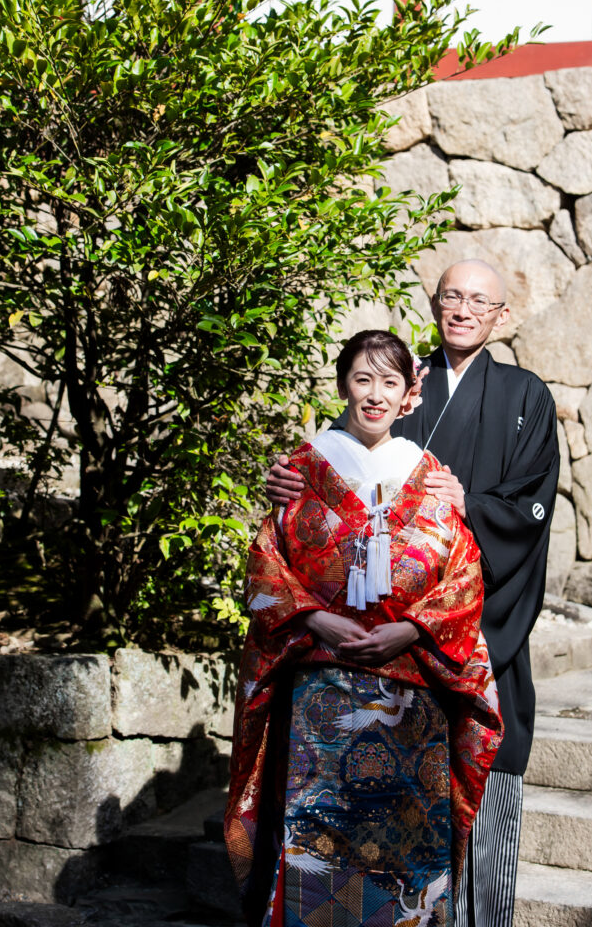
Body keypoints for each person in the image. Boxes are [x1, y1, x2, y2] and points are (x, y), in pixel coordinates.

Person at [266, 262, 560, 927]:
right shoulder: (399, 383)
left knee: (487, 784)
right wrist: (290, 484)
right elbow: (338, 478)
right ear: (433, 304)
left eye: (478, 300)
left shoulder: (524, 395)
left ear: (499, 317)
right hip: (367, 649)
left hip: (468, 631)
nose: (462, 309)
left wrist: (473, 506)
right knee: (384, 823)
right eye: (451, 296)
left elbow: (531, 507)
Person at [225, 330, 503, 927]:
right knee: (317, 843)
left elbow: (463, 573)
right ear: (343, 384)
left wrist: (413, 631)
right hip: (322, 692)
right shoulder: (303, 466)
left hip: (414, 690)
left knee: (407, 845)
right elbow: (267, 562)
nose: (374, 395)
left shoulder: (429, 472)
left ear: (408, 395)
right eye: (362, 379)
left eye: (390, 382)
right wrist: (317, 619)